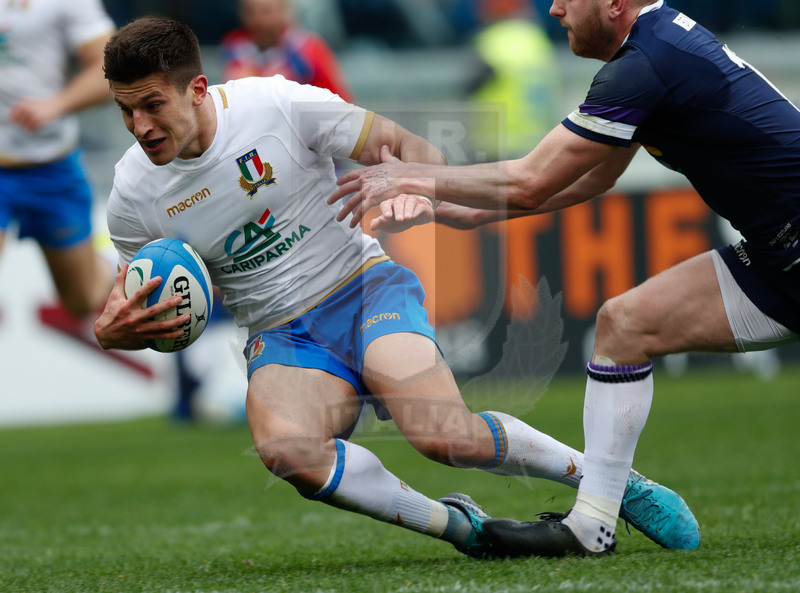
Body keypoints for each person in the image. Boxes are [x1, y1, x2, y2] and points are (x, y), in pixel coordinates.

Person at [95, 15, 699, 557]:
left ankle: (611, 482)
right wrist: (115, 332)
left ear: (198, 89)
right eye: (125, 111)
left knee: (445, 437)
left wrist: (411, 184)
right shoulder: (131, 197)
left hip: (362, 288)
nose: (139, 126)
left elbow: (414, 149)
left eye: (151, 105)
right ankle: (462, 529)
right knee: (286, 451)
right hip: (281, 335)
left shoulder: (277, 105)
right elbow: (142, 302)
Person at [329, 0, 800, 557]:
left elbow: (531, 179)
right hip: (778, 259)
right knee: (624, 326)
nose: (554, 9)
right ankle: (591, 527)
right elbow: (594, 176)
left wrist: (410, 176)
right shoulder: (654, 49)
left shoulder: (646, 63)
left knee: (624, 325)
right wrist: (475, 212)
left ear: (614, 4)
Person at [0, 0, 115, 319]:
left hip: (52, 165)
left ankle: (111, 260)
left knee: (83, 299)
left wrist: (56, 105)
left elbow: (112, 68)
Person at [220, 0, 353, 102]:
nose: (259, 20)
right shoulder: (234, 46)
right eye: (251, 12)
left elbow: (340, 100)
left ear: (284, 10)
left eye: (267, 11)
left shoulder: (308, 48)